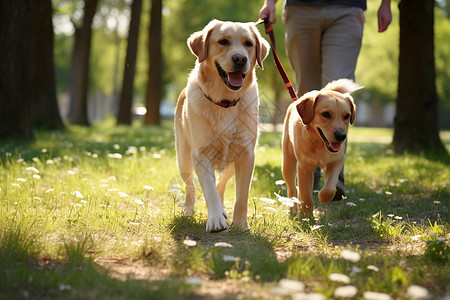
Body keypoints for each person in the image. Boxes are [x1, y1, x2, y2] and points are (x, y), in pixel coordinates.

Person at [260, 0, 392, 200]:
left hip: (347, 8)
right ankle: (308, 171)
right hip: (300, 8)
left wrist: (386, 3)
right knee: (307, 93)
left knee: (337, 93)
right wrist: (270, 3)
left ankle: (334, 176)